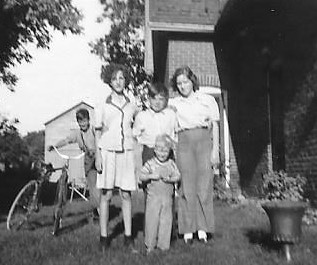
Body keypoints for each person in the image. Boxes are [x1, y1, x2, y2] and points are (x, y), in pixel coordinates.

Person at [169, 65, 219, 244]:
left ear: (192, 81)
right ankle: (188, 229)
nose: (183, 86)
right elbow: (169, 127)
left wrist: (215, 152)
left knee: (204, 186)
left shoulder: (206, 100)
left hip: (204, 141)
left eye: (186, 82)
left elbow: (215, 126)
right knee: (186, 186)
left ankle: (203, 229)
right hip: (184, 142)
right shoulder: (173, 104)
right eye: (179, 83)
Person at [94, 63, 138, 252]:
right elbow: (97, 132)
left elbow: (138, 125)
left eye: (121, 78)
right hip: (107, 152)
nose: (118, 82)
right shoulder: (102, 105)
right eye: (114, 79)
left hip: (126, 152)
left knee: (126, 194)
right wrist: (98, 156)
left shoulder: (132, 105)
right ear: (109, 82)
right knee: (106, 194)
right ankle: (104, 237)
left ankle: (128, 236)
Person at [48, 108, 100, 220]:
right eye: (80, 122)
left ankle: (101, 209)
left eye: (84, 121)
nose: (83, 124)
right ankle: (97, 211)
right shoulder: (77, 134)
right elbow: (66, 140)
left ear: (89, 120)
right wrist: (55, 146)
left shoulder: (94, 130)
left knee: (101, 186)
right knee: (93, 186)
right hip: (88, 161)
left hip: (99, 158)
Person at [139, 134, 180, 254]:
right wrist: (151, 176)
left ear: (169, 151)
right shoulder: (150, 163)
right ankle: (150, 245)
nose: (162, 154)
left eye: (165, 151)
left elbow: (178, 176)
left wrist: (170, 179)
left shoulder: (171, 164)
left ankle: (163, 245)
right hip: (153, 199)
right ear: (155, 150)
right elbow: (141, 176)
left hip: (167, 200)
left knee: (166, 222)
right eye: (160, 150)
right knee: (152, 221)